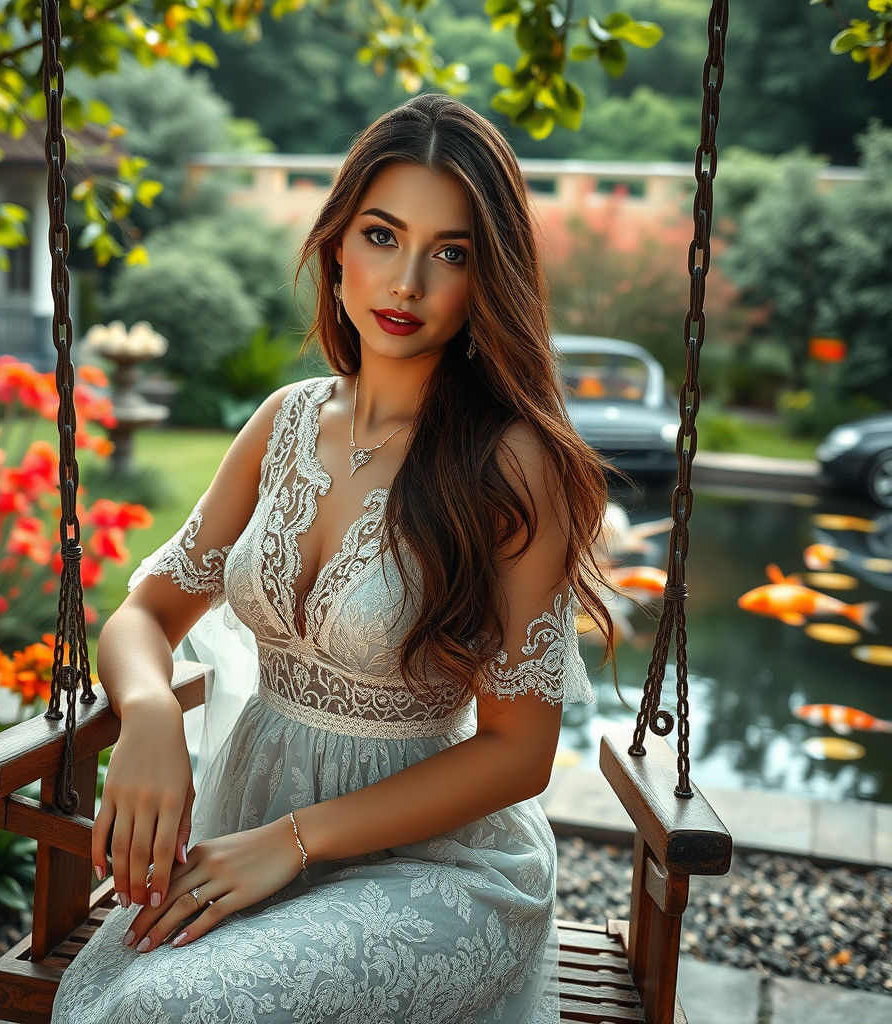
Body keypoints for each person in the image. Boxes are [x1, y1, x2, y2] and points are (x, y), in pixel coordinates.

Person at [51, 92, 619, 1024]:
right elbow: (145, 613)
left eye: (451, 253)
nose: (406, 284)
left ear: (488, 279)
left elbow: (521, 752)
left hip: (438, 870)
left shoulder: (511, 465)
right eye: (383, 236)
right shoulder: (282, 422)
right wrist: (151, 710)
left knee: (167, 1011)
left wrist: (296, 840)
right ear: (337, 243)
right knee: (136, 998)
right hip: (248, 827)